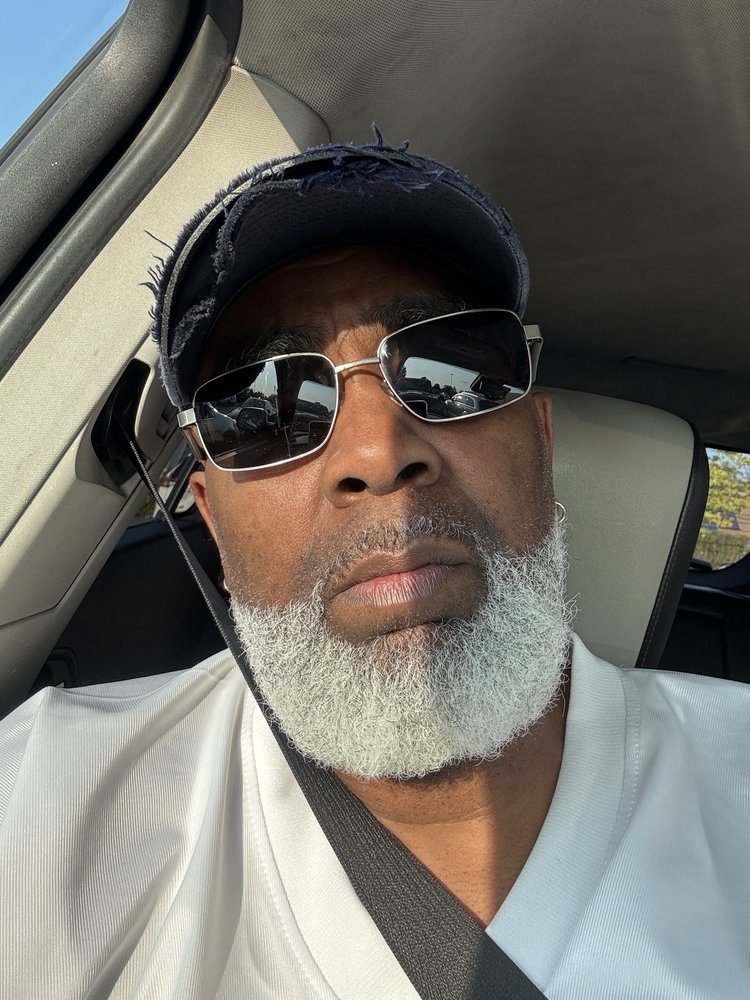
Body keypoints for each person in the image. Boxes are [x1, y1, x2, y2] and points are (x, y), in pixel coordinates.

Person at [1, 138, 749, 999]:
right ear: (211, 517)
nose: (378, 452)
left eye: (452, 368)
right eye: (267, 408)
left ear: (540, 448)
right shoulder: (45, 795)